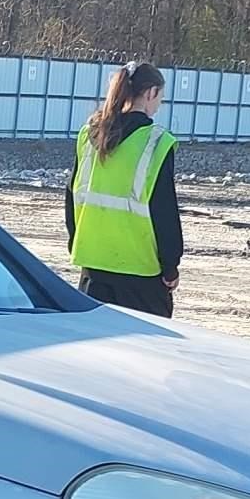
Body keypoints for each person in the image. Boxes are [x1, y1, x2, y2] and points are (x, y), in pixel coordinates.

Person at [65, 61, 182, 317]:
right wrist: (170, 266)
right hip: (141, 274)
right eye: (160, 96)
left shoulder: (89, 135)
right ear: (150, 93)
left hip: (92, 268)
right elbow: (164, 211)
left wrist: (76, 242)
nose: (159, 104)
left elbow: (72, 196)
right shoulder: (156, 142)